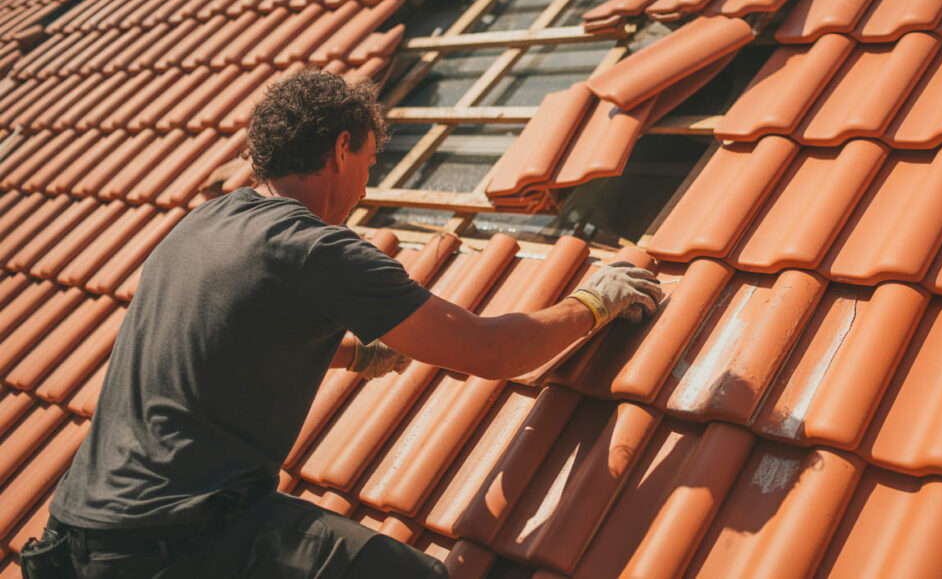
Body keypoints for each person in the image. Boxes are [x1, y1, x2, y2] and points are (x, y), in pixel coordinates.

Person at [26, 69, 662, 578]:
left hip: (74, 536)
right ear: (340, 148)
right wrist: (595, 303)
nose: (366, 184)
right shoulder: (316, 250)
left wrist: (354, 354)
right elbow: (488, 350)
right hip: (177, 543)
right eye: (369, 160)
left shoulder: (203, 223)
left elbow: (227, 336)